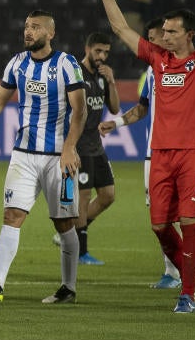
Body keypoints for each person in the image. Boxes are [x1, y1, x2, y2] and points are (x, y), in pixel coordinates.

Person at [92, 0, 195, 313]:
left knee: (190, 222)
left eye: (171, 32)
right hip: (161, 155)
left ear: (189, 35)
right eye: (163, 32)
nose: (164, 36)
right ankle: (189, 268)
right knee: (159, 227)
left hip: (194, 153)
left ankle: (188, 293)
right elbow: (121, 28)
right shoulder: (157, 60)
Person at [0, 10, 86, 305]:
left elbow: (80, 110)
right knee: (12, 215)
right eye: (26, 27)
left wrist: (70, 147)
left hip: (59, 157)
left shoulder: (67, 65)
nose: (28, 32)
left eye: (35, 27)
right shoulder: (17, 63)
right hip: (23, 155)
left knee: (64, 223)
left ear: (50, 33)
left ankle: (68, 287)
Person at [98, 19, 183, 289]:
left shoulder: (186, 68)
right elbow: (141, 109)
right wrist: (118, 123)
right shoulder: (152, 70)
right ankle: (179, 267)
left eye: (154, 37)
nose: (148, 43)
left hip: (181, 153)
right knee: (161, 219)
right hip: (152, 155)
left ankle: (177, 271)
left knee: (180, 217)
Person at [72, 32, 120, 266]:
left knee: (108, 195)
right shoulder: (76, 74)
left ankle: (72, 234)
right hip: (79, 146)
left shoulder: (102, 76)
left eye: (106, 52)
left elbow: (114, 107)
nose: (102, 56)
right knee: (82, 198)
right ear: (87, 48)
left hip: (96, 146)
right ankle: (81, 252)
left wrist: (111, 81)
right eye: (98, 51)